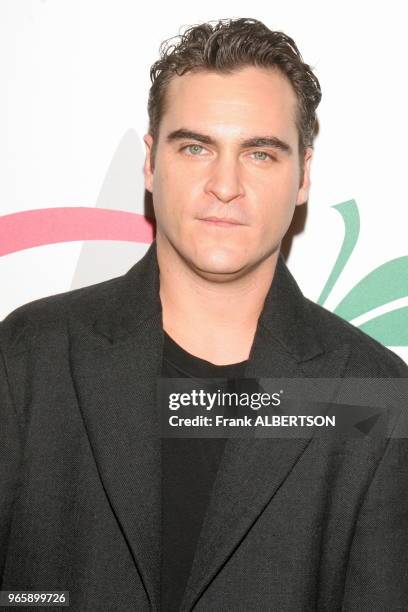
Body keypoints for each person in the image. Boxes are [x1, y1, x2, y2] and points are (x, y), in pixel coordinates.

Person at [0, 17, 407, 612]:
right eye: (195, 147)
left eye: (261, 154)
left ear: (303, 177)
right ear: (149, 163)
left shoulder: (373, 396)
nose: (224, 185)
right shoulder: (29, 355)